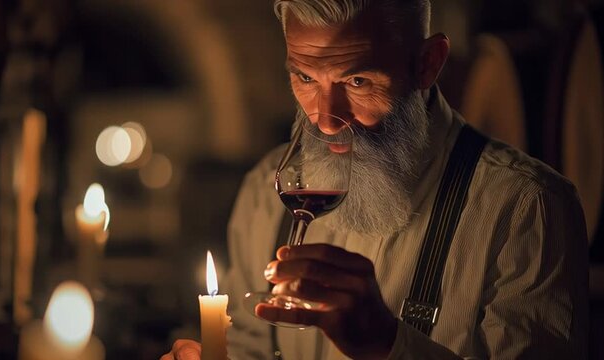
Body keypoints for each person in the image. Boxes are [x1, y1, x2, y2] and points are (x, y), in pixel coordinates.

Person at [162, 0, 589, 358]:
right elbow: (251, 346)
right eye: (305, 77)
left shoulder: (526, 207)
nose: (325, 120)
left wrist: (388, 344)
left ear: (427, 64)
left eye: (357, 80)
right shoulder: (262, 190)